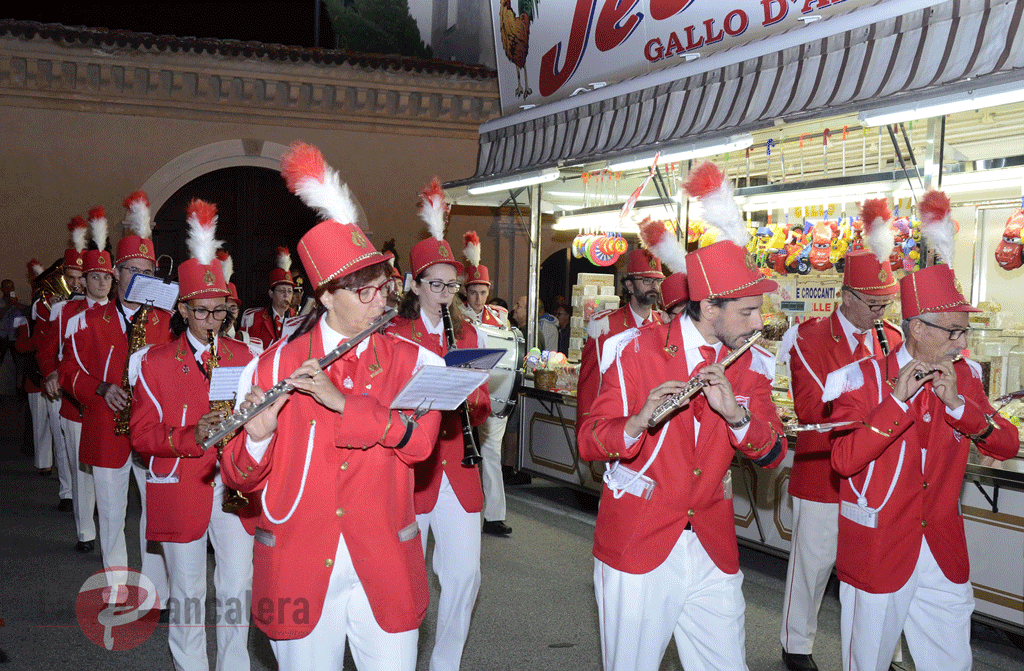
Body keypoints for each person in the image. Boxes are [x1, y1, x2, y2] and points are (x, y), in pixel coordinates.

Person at [221, 142, 442, 671]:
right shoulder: (270, 366)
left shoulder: (420, 362)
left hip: (385, 564)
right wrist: (258, 435)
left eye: (381, 285)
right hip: (298, 566)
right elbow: (235, 477)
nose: (380, 298)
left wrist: (344, 403)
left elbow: (420, 444)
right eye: (361, 290)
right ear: (324, 296)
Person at [578, 240, 786, 671]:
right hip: (639, 539)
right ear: (709, 306)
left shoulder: (755, 362)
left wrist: (737, 417)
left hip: (712, 544)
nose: (757, 322)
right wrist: (637, 422)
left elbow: (773, 452)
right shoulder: (633, 350)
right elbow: (590, 439)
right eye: (747, 311)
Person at [824, 260, 1019, 671]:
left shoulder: (965, 378)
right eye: (954, 331)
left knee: (951, 661)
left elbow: (1005, 443)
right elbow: (843, 461)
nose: (961, 343)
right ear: (917, 327)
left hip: (943, 549)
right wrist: (895, 403)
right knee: (868, 661)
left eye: (964, 332)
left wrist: (961, 408)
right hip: (879, 548)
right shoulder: (858, 378)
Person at [130, 199, 260, 671]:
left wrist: (252, 416)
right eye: (202, 312)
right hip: (182, 482)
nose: (213, 321)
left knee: (235, 585)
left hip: (232, 483)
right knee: (187, 591)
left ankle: (233, 665)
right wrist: (191, 433)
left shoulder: (245, 357)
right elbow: (142, 436)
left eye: (220, 311)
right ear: (183, 309)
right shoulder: (154, 362)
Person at [777, 244, 903, 671]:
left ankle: (886, 651)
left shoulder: (895, 337)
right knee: (814, 562)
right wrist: (886, 405)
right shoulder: (809, 338)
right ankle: (796, 644)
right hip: (825, 469)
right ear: (847, 295)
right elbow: (815, 409)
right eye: (873, 303)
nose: (880, 312)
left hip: (881, 474)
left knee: (880, 564)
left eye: (887, 303)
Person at [386, 179, 491, 671]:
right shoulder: (393, 335)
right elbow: (384, 402)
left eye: (452, 285)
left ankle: (445, 664)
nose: (446, 294)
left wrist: (471, 395)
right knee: (405, 573)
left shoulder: (465, 329)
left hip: (458, 466)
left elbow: (484, 401)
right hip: (412, 469)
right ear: (413, 284)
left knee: (465, 575)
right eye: (436, 285)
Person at [61, 199, 172, 605]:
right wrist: (101, 389)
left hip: (150, 430)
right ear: (116, 273)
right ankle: (116, 586)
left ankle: (156, 591)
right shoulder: (86, 320)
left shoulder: (164, 320)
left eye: (148, 273)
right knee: (110, 513)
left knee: (154, 514)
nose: (141, 278)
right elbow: (69, 372)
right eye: (133, 271)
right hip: (107, 425)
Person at [38, 218, 98, 549]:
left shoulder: (113, 311)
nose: (78, 284)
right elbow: (47, 350)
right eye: (73, 278)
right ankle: (85, 530)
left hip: (103, 399)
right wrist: (51, 374)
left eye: (83, 277)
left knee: (101, 467)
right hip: (70, 394)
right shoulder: (59, 310)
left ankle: (101, 511)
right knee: (78, 465)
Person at [575, 248, 665, 439]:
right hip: (618, 424)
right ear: (630, 286)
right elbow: (590, 384)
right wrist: (588, 431)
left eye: (657, 281)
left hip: (657, 427)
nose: (654, 287)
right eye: (647, 281)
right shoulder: (605, 326)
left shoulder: (665, 326)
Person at [461, 231, 512, 536]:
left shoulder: (500, 317)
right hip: (467, 392)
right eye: (473, 292)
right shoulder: (457, 317)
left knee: (492, 451)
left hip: (495, 388)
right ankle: (463, 510)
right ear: (465, 292)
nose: (478, 298)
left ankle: (493, 516)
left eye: (483, 292)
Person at [239, 246, 296, 346]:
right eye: (282, 291)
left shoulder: (297, 317)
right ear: (271, 293)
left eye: (290, 291)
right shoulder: (253, 318)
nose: (286, 295)